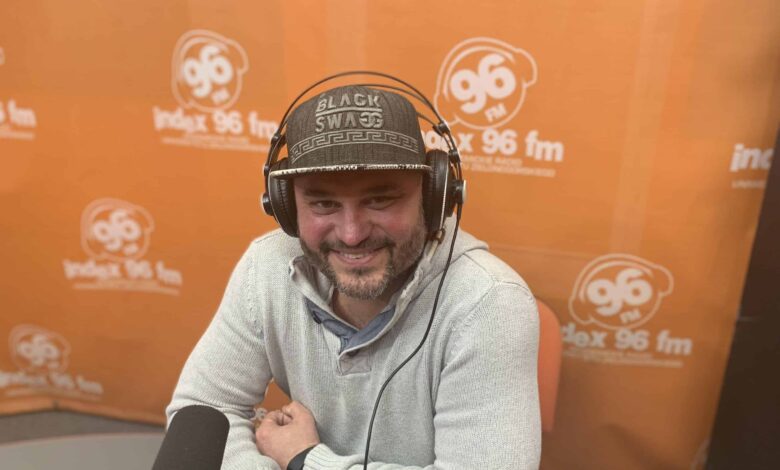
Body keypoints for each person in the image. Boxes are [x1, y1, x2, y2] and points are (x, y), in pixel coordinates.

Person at [166, 83, 541, 469]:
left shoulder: (490, 303)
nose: (351, 234)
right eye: (323, 203)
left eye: (380, 199)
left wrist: (306, 461)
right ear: (285, 207)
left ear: (435, 197)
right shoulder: (267, 266)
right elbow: (202, 408)